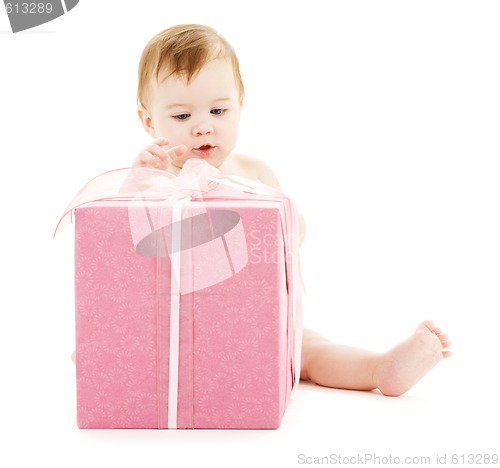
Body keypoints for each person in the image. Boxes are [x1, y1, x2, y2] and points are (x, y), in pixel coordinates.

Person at [132, 24, 451, 397]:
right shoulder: (151, 180)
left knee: (308, 349)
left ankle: (380, 369)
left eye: (219, 110)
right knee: (139, 343)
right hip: (180, 327)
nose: (204, 127)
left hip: (255, 321)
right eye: (182, 117)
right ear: (150, 122)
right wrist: (139, 179)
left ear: (239, 107)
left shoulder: (253, 172)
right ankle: (104, 354)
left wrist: (284, 230)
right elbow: (118, 241)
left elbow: (294, 232)